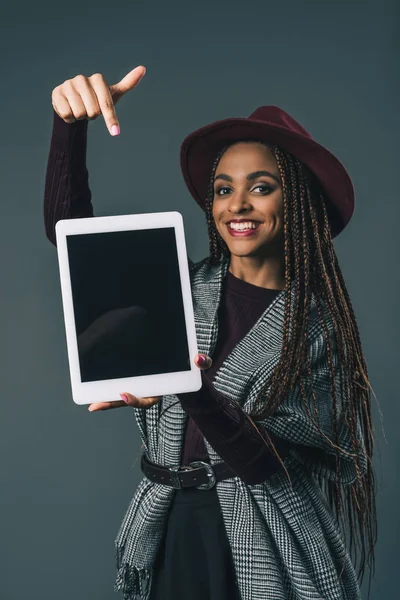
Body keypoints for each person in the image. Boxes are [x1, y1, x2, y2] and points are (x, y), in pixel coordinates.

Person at [44, 65, 377, 600]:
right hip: (172, 524)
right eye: (224, 189)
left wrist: (188, 385)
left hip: (268, 535)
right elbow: (77, 248)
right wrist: (69, 127)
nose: (237, 205)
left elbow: (266, 462)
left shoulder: (316, 325)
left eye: (261, 188)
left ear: (298, 203)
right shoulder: (180, 285)